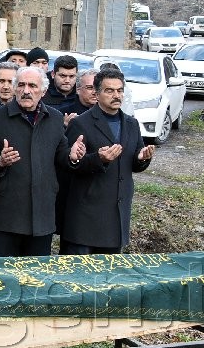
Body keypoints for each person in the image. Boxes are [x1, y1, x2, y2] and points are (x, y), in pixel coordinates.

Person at [0, 67, 84, 258]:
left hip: (41, 216)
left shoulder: (55, 118)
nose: (26, 90)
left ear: (43, 91)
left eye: (32, 86)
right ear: (15, 88)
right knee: (0, 273)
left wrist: (72, 156)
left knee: (36, 273)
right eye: (21, 85)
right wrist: (0, 162)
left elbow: (61, 155)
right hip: (3, 217)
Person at [61, 67, 154, 254]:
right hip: (85, 217)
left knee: (110, 270)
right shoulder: (81, 123)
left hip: (116, 214)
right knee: (78, 269)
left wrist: (142, 158)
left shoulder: (131, 124)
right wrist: (98, 159)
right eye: (109, 91)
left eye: (119, 90)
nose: (116, 95)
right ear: (97, 94)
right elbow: (69, 165)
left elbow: (133, 162)